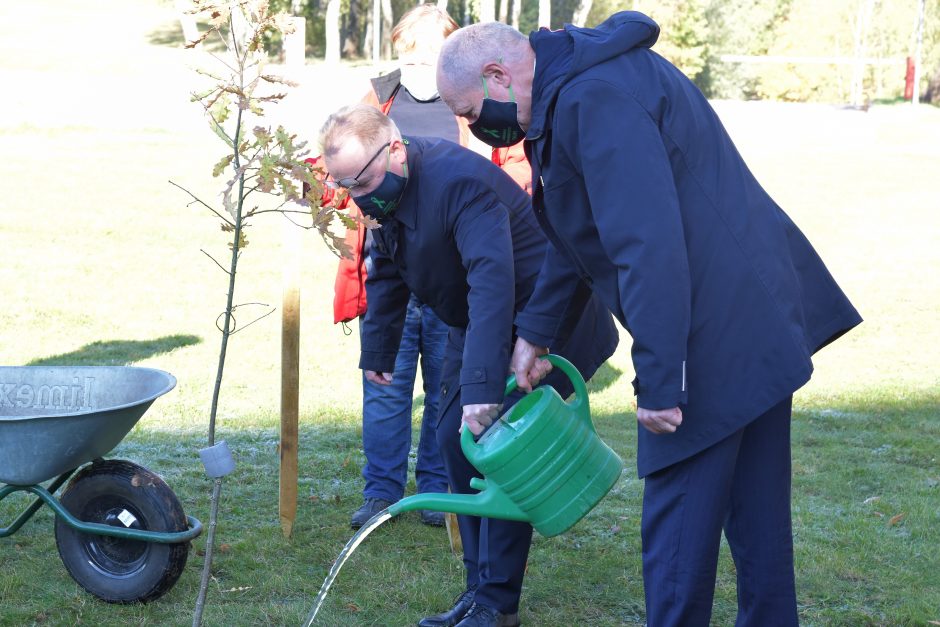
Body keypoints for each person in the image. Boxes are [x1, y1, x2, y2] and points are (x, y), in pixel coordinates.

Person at [436, 12, 863, 626]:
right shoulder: (569, 87)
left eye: (471, 112)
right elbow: (575, 230)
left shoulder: (595, 98)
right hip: (752, 318)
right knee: (756, 515)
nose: (476, 131)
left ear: (499, 74)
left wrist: (664, 381)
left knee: (678, 526)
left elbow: (648, 245)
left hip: (713, 332)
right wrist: (536, 331)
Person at [318, 104, 618, 627]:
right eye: (347, 186)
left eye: (363, 180)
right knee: (454, 445)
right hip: (474, 323)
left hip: (536, 323)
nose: (360, 196)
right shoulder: (382, 188)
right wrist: (381, 350)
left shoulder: (459, 184)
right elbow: (386, 265)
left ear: (393, 148)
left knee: (500, 453)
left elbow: (493, 286)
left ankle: (498, 605)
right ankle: (478, 590)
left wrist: (482, 390)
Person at [320, 4, 531, 529]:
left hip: (462, 273)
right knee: (386, 384)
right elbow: (381, 250)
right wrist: (379, 345)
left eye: (429, 60)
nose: (418, 71)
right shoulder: (377, 102)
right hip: (407, 273)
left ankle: (440, 489)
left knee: (447, 385)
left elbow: (512, 174)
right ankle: (381, 492)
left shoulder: (472, 112)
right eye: (409, 60)